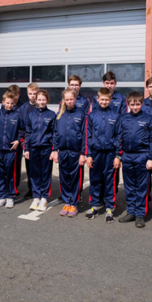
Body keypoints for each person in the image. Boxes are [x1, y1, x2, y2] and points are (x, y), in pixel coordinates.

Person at [113, 92, 152, 228]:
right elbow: (118, 138)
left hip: (142, 156)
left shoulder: (148, 118)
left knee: (141, 186)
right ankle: (131, 211)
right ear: (128, 104)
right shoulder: (123, 118)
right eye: (132, 104)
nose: (135, 107)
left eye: (137, 104)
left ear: (142, 104)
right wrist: (118, 155)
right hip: (127, 156)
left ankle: (140, 214)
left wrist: (151, 158)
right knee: (129, 186)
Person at [85, 87, 122, 222]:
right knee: (95, 180)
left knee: (109, 181)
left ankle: (109, 208)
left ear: (111, 100)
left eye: (107, 99)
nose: (104, 102)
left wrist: (118, 155)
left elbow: (119, 136)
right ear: (97, 99)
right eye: (102, 99)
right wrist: (88, 154)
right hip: (95, 153)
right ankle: (94, 205)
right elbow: (88, 136)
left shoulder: (116, 116)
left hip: (110, 154)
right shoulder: (92, 115)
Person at [53, 88, 88, 217]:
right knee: (64, 178)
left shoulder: (81, 114)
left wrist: (83, 153)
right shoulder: (60, 114)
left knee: (75, 179)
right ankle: (67, 201)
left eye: (71, 99)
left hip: (76, 152)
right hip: (63, 152)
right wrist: (55, 150)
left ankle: (74, 203)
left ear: (75, 99)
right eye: (66, 99)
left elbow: (85, 134)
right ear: (63, 100)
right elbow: (55, 134)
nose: (69, 101)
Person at [0, 92, 24, 209]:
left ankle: (10, 197)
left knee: (11, 175)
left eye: (11, 103)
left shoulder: (17, 115)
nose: (9, 105)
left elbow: (23, 131)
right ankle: (2, 196)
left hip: (11, 151)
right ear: (3, 102)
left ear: (14, 104)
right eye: (7, 103)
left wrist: (18, 141)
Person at [24, 89, 56, 213]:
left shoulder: (52, 115)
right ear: (36, 100)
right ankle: (36, 196)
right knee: (34, 173)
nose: (41, 102)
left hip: (46, 147)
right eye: (39, 99)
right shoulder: (31, 115)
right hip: (33, 148)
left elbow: (54, 133)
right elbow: (28, 132)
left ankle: (44, 198)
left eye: (44, 99)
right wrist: (26, 148)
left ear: (47, 100)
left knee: (45, 173)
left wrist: (54, 149)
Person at [16, 83, 40, 200]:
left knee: (39, 167)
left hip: (40, 141)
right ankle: (31, 189)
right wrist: (22, 141)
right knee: (29, 167)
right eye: (30, 94)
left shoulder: (41, 105)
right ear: (27, 93)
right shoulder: (23, 108)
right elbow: (21, 126)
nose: (32, 96)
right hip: (27, 141)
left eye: (35, 94)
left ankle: (39, 189)